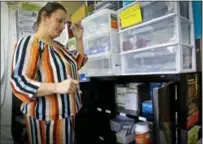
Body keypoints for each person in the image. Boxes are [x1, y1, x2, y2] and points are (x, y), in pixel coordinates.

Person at [10, 2, 87, 144]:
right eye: (59, 20)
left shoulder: (60, 47)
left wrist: (79, 39)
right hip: (46, 120)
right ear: (45, 16)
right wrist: (57, 87)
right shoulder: (31, 42)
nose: (63, 26)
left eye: (65, 22)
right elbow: (19, 82)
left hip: (68, 115)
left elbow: (77, 63)